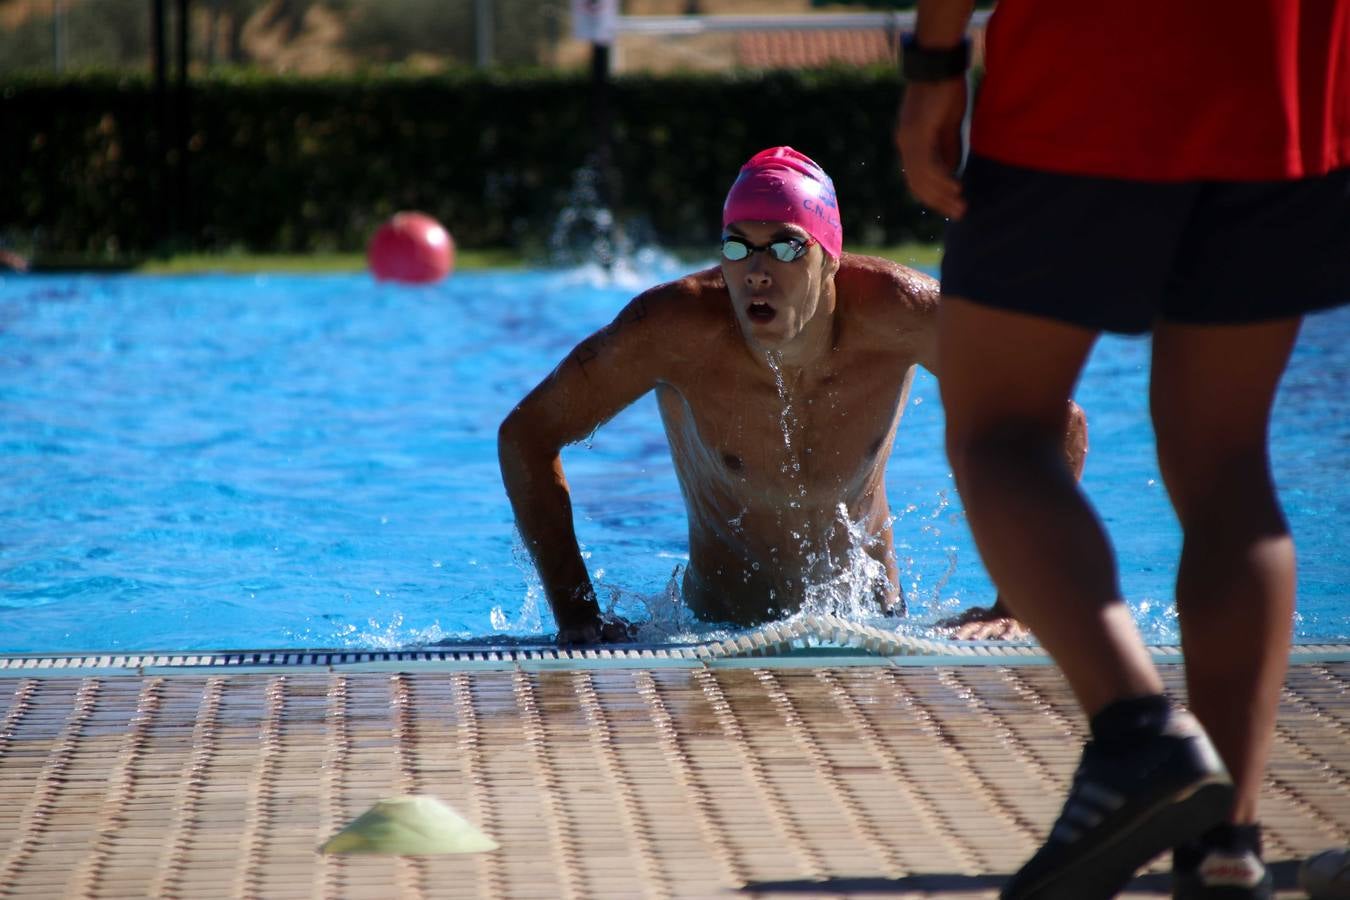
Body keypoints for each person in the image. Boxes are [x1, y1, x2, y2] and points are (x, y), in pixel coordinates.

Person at [896, 2, 1349, 899]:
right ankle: (1225, 845)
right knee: (1228, 461)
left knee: (1000, 430)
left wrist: (935, 64)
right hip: (1287, 81)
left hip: (1088, 65)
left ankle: (1140, 731)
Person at [499, 146, 1086, 646]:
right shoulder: (672, 330)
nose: (757, 271)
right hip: (713, 632)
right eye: (738, 247)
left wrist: (1015, 605)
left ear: (830, 258)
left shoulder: (902, 315)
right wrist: (577, 615)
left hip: (873, 626)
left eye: (785, 247)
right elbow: (527, 434)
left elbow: (1060, 423)